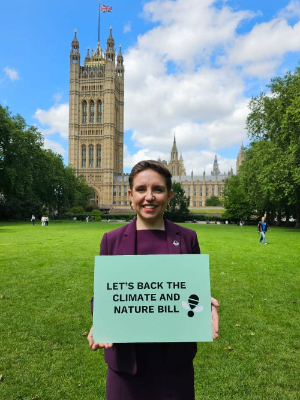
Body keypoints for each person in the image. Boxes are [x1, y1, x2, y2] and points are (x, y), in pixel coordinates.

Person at [87, 160, 219, 400]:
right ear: (130, 195)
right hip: (126, 366)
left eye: (157, 189)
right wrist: (101, 320)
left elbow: (192, 291)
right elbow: (104, 295)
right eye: (141, 189)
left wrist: (204, 304)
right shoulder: (111, 240)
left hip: (173, 366)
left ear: (169, 196)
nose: (149, 197)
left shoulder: (188, 238)